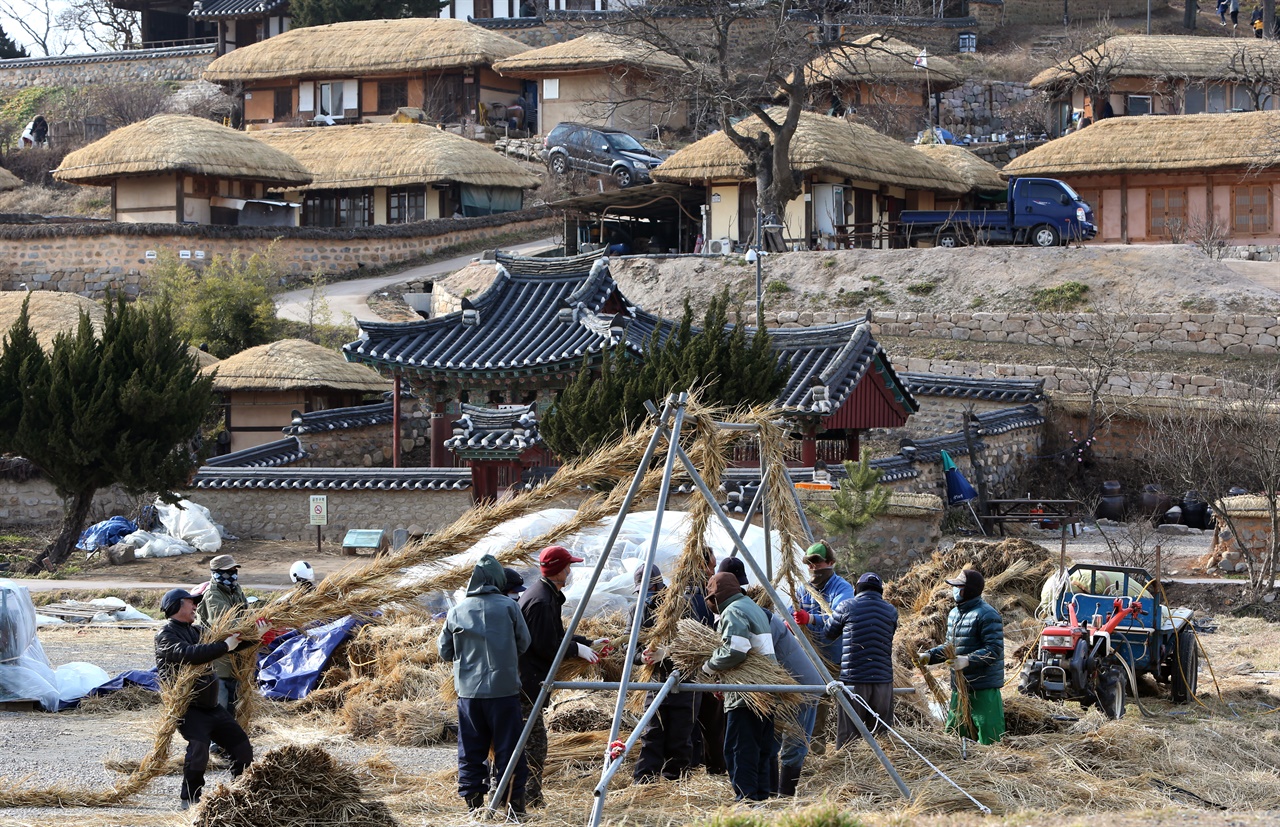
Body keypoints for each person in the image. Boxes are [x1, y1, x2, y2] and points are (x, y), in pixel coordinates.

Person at [440, 554, 532, 814]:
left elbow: (445, 651)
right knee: (509, 748)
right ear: (498, 580)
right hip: (503, 691)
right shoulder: (508, 606)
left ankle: (474, 807)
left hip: (469, 694)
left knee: (470, 749)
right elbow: (524, 643)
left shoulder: (457, 610)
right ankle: (513, 808)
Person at [518, 545, 606, 807]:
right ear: (557, 570)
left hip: (531, 680)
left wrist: (588, 642)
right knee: (532, 746)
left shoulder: (546, 595)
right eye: (568, 566)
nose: (570, 571)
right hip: (527, 684)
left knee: (526, 744)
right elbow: (545, 645)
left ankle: (521, 797)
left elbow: (555, 635)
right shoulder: (542, 601)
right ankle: (527, 800)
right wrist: (575, 649)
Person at [155, 587, 253, 809]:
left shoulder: (196, 631)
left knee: (241, 746)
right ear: (176, 606)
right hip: (189, 707)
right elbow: (190, 654)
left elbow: (227, 644)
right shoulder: (165, 636)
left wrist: (256, 635)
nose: (195, 606)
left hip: (211, 706)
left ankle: (241, 791)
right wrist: (224, 646)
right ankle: (190, 799)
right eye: (191, 602)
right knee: (199, 749)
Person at [701, 571, 777, 802]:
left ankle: (746, 799)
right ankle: (760, 798)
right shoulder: (752, 607)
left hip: (747, 694)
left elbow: (735, 649)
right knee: (761, 749)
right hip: (766, 691)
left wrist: (709, 668)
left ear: (716, 598)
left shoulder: (733, 611)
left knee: (738, 750)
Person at [917, 569, 1005, 745]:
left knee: (989, 735)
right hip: (960, 685)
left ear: (969, 590)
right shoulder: (954, 614)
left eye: (958, 587)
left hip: (983, 687)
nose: (954, 590)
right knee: (955, 733)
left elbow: (994, 650)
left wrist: (967, 660)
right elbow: (951, 647)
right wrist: (929, 656)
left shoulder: (987, 614)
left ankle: (989, 769)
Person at [629, 564, 697, 783]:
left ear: (659, 585)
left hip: (683, 678)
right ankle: (644, 781)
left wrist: (667, 652)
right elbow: (628, 645)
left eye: (647, 591)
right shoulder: (636, 610)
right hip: (655, 680)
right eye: (640, 592)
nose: (644, 597)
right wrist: (642, 657)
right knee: (651, 731)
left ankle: (675, 781)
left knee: (680, 734)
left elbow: (696, 643)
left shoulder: (681, 605)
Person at [790, 540, 854, 750]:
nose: (813, 568)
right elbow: (793, 611)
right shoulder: (803, 589)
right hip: (810, 655)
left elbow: (839, 617)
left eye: (817, 563)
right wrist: (790, 622)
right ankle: (815, 748)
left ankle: (848, 748)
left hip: (835, 657)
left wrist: (811, 619)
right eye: (809, 563)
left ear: (831, 562)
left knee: (842, 701)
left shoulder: (841, 588)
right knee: (813, 701)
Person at [825, 572, 898, 747]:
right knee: (883, 739)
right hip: (883, 682)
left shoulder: (846, 606)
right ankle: (884, 773)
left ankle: (848, 773)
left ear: (857, 588)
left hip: (853, 682)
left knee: (848, 740)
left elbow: (828, 633)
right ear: (880, 590)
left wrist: (823, 618)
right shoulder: (891, 611)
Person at [195, 554, 250, 713]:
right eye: (228, 571)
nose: (232, 574)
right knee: (220, 711)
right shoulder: (213, 595)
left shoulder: (235, 590)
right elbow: (227, 626)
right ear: (216, 572)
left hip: (235, 661)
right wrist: (253, 629)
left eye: (234, 570)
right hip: (219, 662)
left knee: (234, 712)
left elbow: (246, 612)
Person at [689, 550, 726, 776]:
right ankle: (710, 766)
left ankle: (709, 765)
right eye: (710, 567)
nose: (713, 572)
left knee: (709, 721)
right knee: (708, 721)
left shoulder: (702, 593)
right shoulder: (694, 596)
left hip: (707, 666)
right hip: (700, 667)